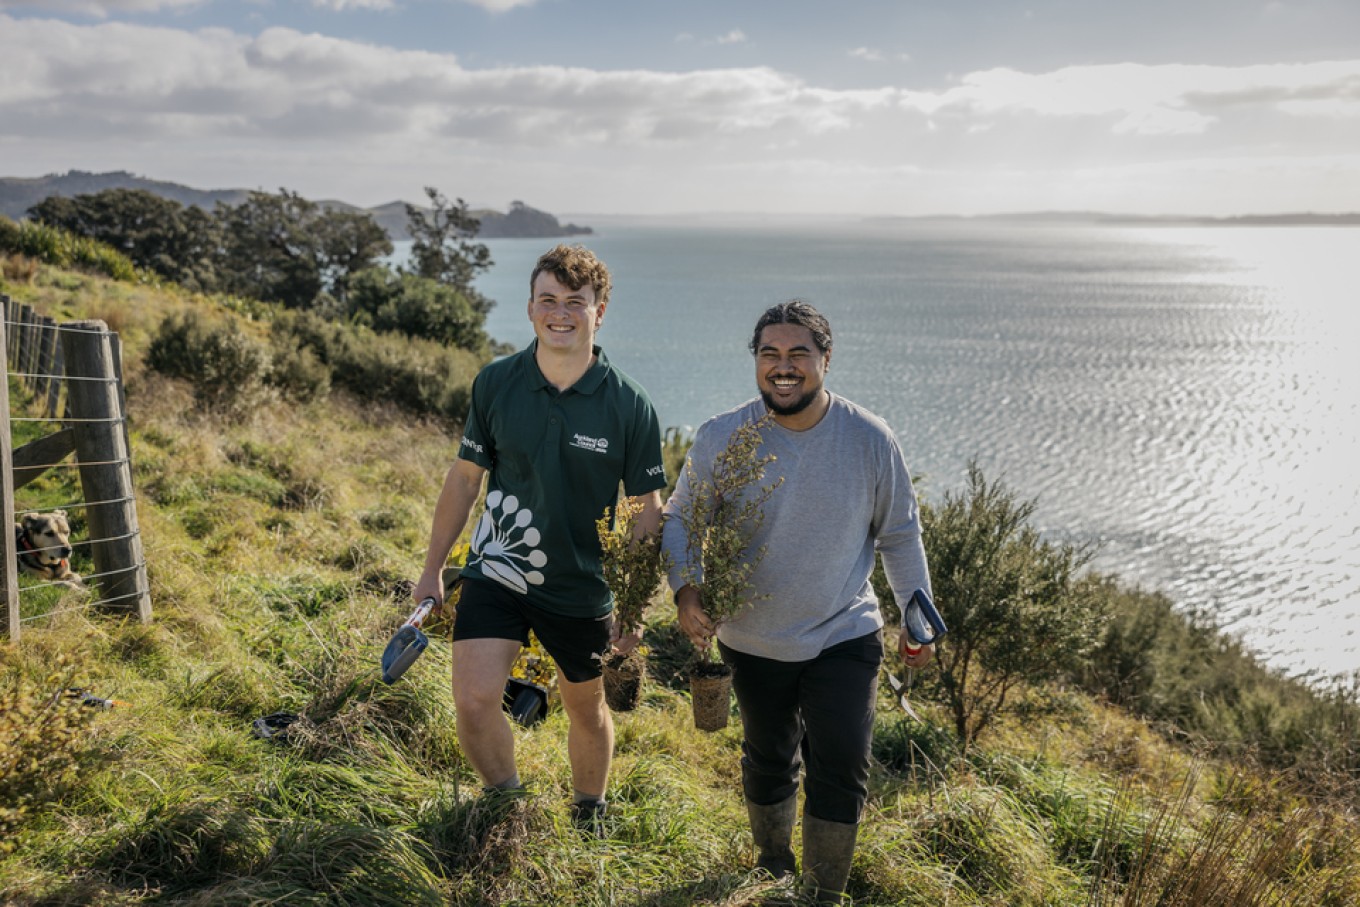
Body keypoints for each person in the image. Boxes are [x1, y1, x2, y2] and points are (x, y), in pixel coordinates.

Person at [661, 300, 934, 904]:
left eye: (798, 354)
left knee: (843, 765)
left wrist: (918, 618)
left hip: (844, 631)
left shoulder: (869, 438)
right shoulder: (722, 436)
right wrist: (686, 588)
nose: (783, 367)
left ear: (825, 360)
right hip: (751, 638)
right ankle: (774, 869)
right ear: (756, 361)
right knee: (768, 759)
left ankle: (822, 894)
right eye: (770, 354)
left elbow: (899, 534)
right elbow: (681, 517)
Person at [413, 244, 667, 830]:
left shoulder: (630, 404)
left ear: (599, 312)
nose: (560, 313)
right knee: (473, 700)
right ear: (530, 308)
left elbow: (645, 511)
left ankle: (588, 810)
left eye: (575, 302)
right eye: (548, 300)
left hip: (582, 586)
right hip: (498, 565)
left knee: (586, 709)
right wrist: (431, 570)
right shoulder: (497, 382)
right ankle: (508, 807)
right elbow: (465, 479)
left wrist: (634, 609)